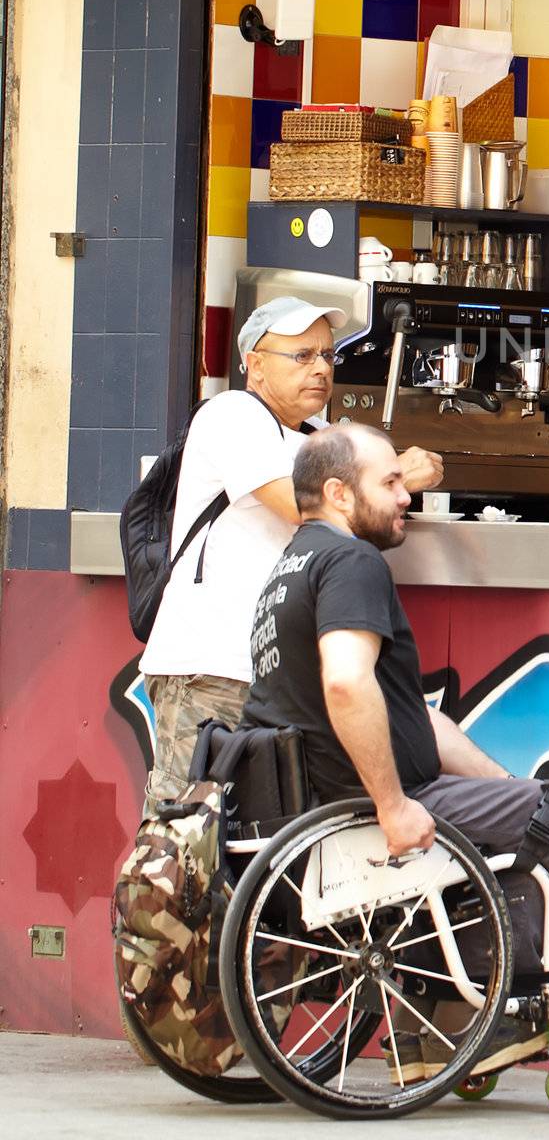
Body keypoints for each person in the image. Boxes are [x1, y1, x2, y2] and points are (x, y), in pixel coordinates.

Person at [238, 422, 549, 1076]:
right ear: (339, 493)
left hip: (308, 802)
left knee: (519, 809)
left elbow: (406, 713)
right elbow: (344, 681)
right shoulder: (352, 562)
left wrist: (503, 786)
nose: (405, 497)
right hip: (360, 806)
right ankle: (476, 1014)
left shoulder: (292, 565)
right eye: (389, 482)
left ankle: (429, 1029)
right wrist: (393, 806)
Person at [138, 297, 443, 814]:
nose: (321, 367)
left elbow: (355, 511)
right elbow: (303, 507)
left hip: (274, 679)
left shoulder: (315, 440)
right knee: (185, 844)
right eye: (301, 356)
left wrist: (387, 479)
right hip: (211, 668)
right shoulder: (231, 413)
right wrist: (396, 475)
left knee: (263, 850)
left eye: (327, 356)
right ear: (254, 364)